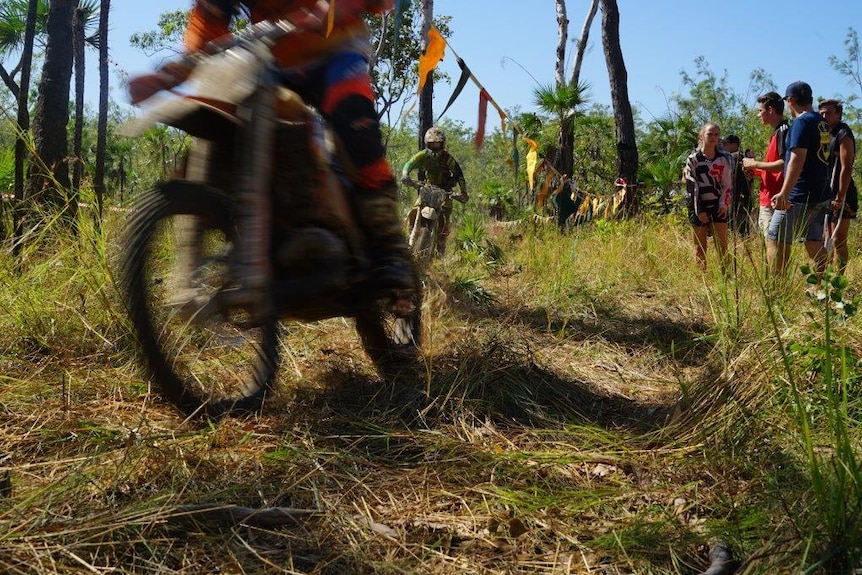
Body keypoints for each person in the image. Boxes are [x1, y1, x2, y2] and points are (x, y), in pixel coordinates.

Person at [128, 0, 415, 312]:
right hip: (272, 60)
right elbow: (209, 21)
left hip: (336, 49)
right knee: (226, 117)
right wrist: (172, 75)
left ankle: (390, 248)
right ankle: (258, 247)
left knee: (352, 114)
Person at [765, 81, 831, 277]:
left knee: (775, 239)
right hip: (820, 194)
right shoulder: (821, 122)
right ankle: (823, 288)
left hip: (799, 195)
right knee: (814, 242)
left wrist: (785, 193)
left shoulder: (802, 122)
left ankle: (777, 291)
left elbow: (797, 158)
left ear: (791, 101)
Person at [401, 127, 468, 254]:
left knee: (446, 212)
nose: (435, 147)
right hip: (428, 187)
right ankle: (411, 232)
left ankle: (441, 246)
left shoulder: (448, 158)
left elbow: (459, 174)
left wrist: (463, 192)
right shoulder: (423, 155)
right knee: (417, 207)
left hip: (444, 191)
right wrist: (405, 175)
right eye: (432, 144)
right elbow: (409, 163)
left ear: (442, 144)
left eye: (438, 144)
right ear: (427, 144)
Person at [683, 122, 733, 271]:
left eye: (716, 134)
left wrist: (724, 205)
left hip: (718, 206)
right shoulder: (693, 160)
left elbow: (727, 184)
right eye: (710, 134)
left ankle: (727, 278)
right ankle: (702, 279)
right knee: (699, 246)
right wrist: (700, 210)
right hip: (698, 207)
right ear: (702, 136)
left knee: (722, 246)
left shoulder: (724, 159)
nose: (713, 137)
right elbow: (691, 186)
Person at [819, 98, 858, 274]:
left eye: (829, 112)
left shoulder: (844, 133)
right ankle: (825, 279)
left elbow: (846, 167)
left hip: (842, 193)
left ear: (838, 114)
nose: (825, 116)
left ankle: (839, 280)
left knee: (838, 239)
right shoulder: (825, 133)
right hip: (826, 193)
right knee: (824, 238)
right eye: (822, 113)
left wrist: (840, 197)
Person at [743, 91, 789, 237]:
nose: (758, 115)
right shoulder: (777, 132)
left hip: (774, 198)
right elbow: (773, 166)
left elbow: (784, 164)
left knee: (772, 242)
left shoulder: (783, 132)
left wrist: (754, 163)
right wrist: (756, 170)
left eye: (760, 111)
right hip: (770, 196)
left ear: (771, 110)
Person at [722, 134, 753, 236]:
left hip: (738, 200)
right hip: (740, 199)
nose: (723, 146)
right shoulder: (745, 158)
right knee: (740, 231)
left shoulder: (735, 158)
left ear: (734, 145)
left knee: (738, 231)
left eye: (725, 143)